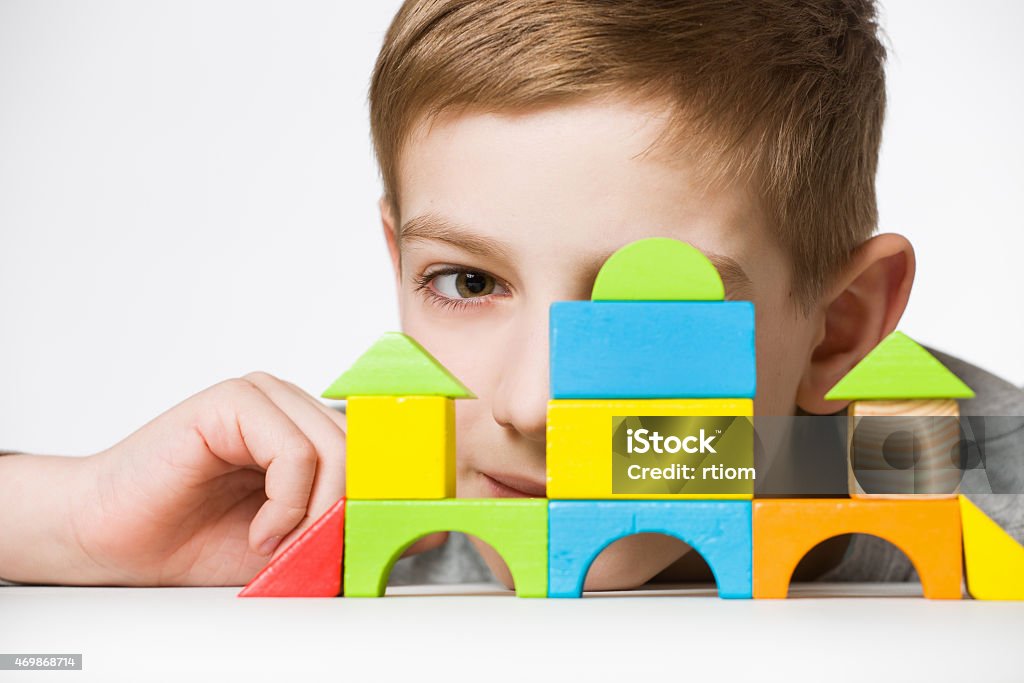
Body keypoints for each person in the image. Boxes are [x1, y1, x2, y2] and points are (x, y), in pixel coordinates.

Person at [1, 0, 1021, 590]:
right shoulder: (348, 498)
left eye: (649, 308)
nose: (532, 406)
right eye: (468, 281)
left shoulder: (984, 483)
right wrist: (84, 520)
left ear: (838, 326)